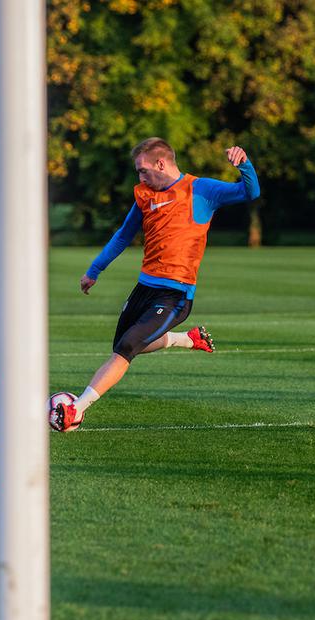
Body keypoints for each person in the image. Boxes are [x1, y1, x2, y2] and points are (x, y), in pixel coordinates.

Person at [51, 137, 260, 431]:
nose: (140, 177)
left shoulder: (201, 190)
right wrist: (94, 270)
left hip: (176, 294)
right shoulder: (145, 195)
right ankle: (186, 339)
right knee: (123, 345)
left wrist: (244, 165)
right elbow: (124, 235)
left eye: (143, 170)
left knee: (127, 347)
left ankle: (77, 408)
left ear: (161, 164)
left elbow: (250, 192)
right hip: (144, 288)